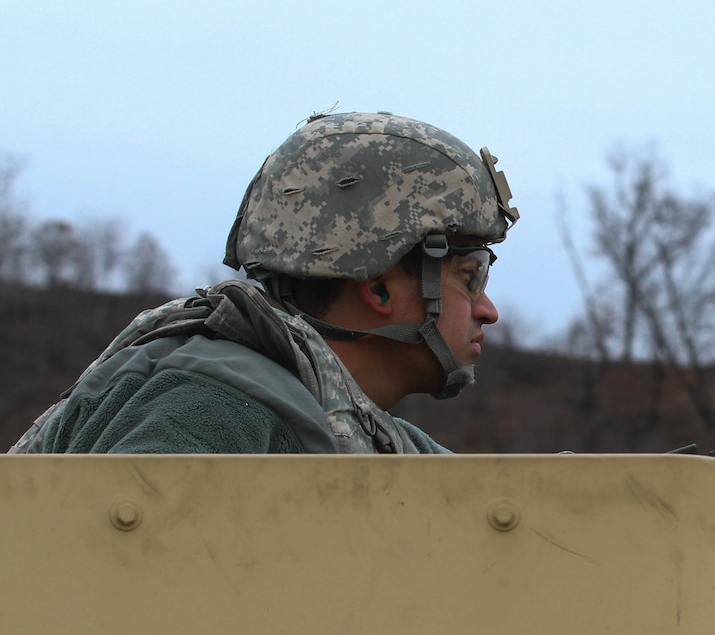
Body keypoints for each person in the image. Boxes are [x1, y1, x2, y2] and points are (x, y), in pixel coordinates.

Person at [9, 111, 519, 454]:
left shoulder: (356, 427)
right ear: (380, 287)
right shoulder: (208, 410)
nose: (487, 310)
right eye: (469, 277)